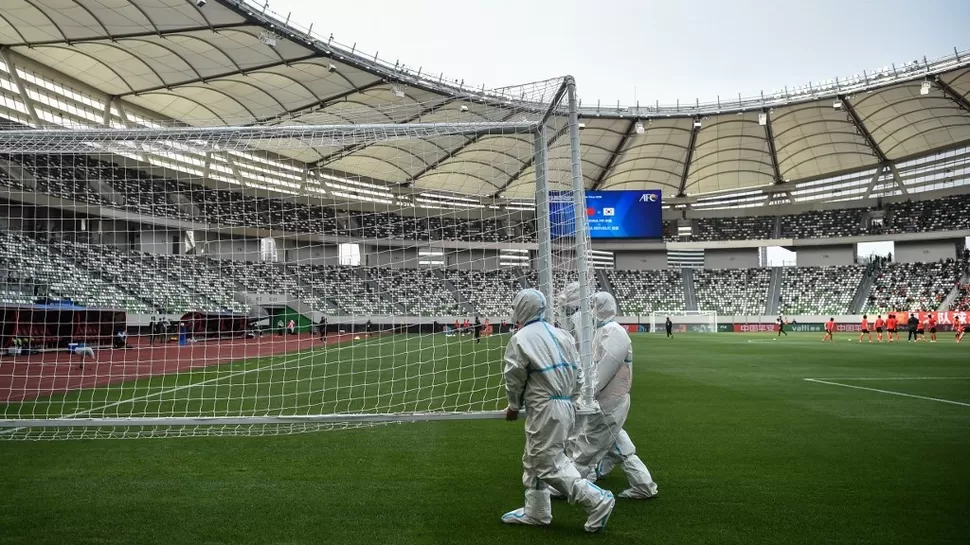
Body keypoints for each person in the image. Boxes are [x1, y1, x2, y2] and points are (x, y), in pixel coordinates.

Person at [501, 289, 615, 533]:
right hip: (564, 405)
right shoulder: (561, 334)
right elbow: (578, 371)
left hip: (545, 407)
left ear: (522, 308)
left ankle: (597, 500)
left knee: (548, 464)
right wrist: (574, 398)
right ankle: (536, 512)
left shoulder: (521, 339)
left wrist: (513, 405)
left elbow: (514, 377)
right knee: (534, 458)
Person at [569, 292, 658, 500]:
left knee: (586, 449)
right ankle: (644, 485)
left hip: (609, 402)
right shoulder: (603, 331)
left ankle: (566, 485)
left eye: (593, 305)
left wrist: (586, 395)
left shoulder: (613, 332)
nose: (589, 309)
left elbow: (604, 370)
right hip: (607, 401)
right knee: (619, 444)